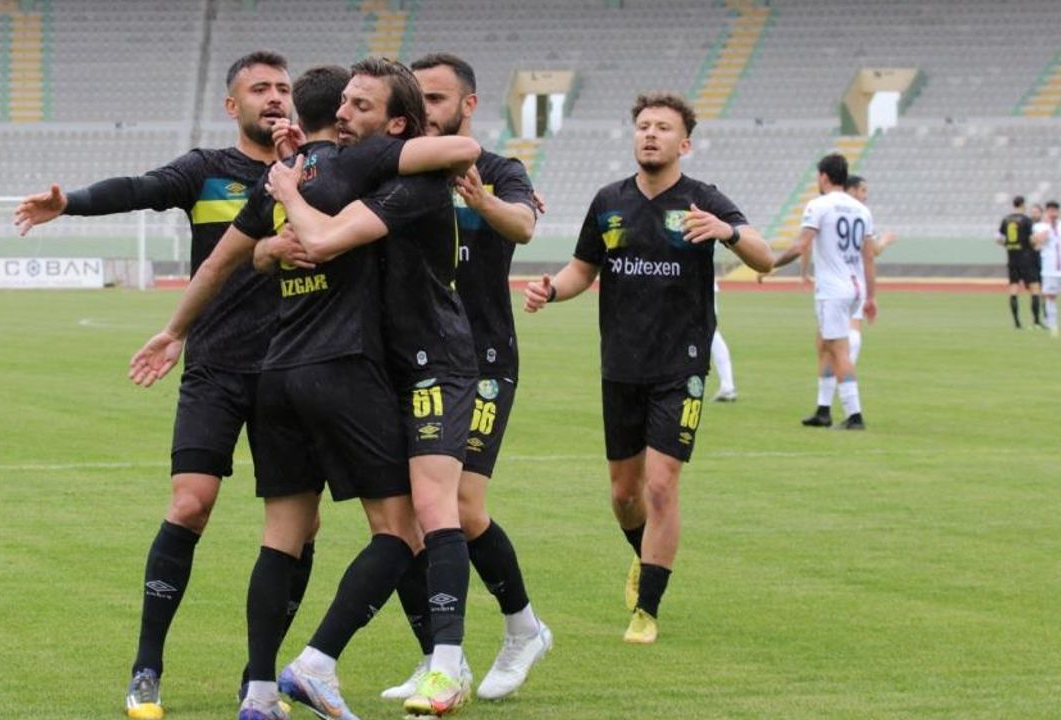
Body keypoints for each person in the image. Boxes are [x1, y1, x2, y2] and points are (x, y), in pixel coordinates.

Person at [128, 59, 480, 720]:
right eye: (346, 103)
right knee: (402, 527)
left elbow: (224, 262)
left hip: (286, 371)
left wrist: (177, 328)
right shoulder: (355, 167)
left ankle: (261, 692)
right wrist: (291, 203)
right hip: (348, 367)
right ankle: (331, 663)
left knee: (287, 532)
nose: (348, 113)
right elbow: (311, 240)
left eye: (360, 104)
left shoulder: (294, 172)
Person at [13, 50, 295, 720]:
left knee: (294, 526)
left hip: (294, 368)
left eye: (283, 88)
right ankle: (147, 668)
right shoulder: (206, 170)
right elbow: (137, 189)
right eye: (259, 88)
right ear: (233, 105)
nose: (275, 98)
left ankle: (258, 679)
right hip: (216, 366)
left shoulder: (314, 172)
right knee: (191, 504)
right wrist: (71, 203)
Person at [523, 93, 773, 645]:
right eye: (643, 126)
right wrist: (550, 290)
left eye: (662, 127)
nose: (650, 134)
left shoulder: (703, 200)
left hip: (680, 367)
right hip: (621, 365)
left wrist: (728, 232)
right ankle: (647, 557)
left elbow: (765, 256)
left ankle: (647, 610)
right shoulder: (609, 201)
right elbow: (582, 269)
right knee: (625, 496)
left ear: (685, 144)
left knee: (661, 487)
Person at [370, 52, 551, 704]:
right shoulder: (396, 168)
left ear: (468, 105)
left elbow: (524, 224)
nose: (425, 109)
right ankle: (438, 658)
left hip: (483, 361)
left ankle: (523, 628)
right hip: (409, 360)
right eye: (416, 98)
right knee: (401, 518)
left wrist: (483, 200)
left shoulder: (499, 170)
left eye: (437, 98)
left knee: (463, 507)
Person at [770, 153, 877, 430]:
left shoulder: (819, 205)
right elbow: (868, 256)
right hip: (855, 288)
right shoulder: (861, 210)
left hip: (833, 290)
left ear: (824, 177)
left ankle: (854, 415)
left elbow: (800, 245)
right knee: (824, 344)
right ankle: (823, 409)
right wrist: (871, 297)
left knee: (838, 349)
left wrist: (771, 264)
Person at [843, 174, 895, 363]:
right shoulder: (861, 214)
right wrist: (885, 240)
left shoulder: (826, 209)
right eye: (863, 190)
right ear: (851, 190)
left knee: (831, 336)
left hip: (830, 282)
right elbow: (871, 252)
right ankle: (846, 373)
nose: (865, 196)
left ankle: (836, 375)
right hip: (854, 281)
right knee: (853, 328)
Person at [998, 195, 1044, 330]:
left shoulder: (1006, 220)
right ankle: (1036, 322)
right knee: (1035, 288)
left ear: (1013, 204)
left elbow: (999, 239)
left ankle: (1017, 323)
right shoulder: (1026, 220)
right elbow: (1032, 239)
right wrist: (1037, 243)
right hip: (1026, 259)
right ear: (1023, 204)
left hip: (1012, 259)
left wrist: (1009, 245)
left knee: (1013, 289)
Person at [1032, 201, 1060, 338]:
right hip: (1050, 269)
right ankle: (1053, 326)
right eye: (1050, 211)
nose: (1053, 213)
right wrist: (1049, 228)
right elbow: (1037, 243)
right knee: (1050, 296)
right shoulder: (1040, 227)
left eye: (1055, 210)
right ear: (1046, 212)